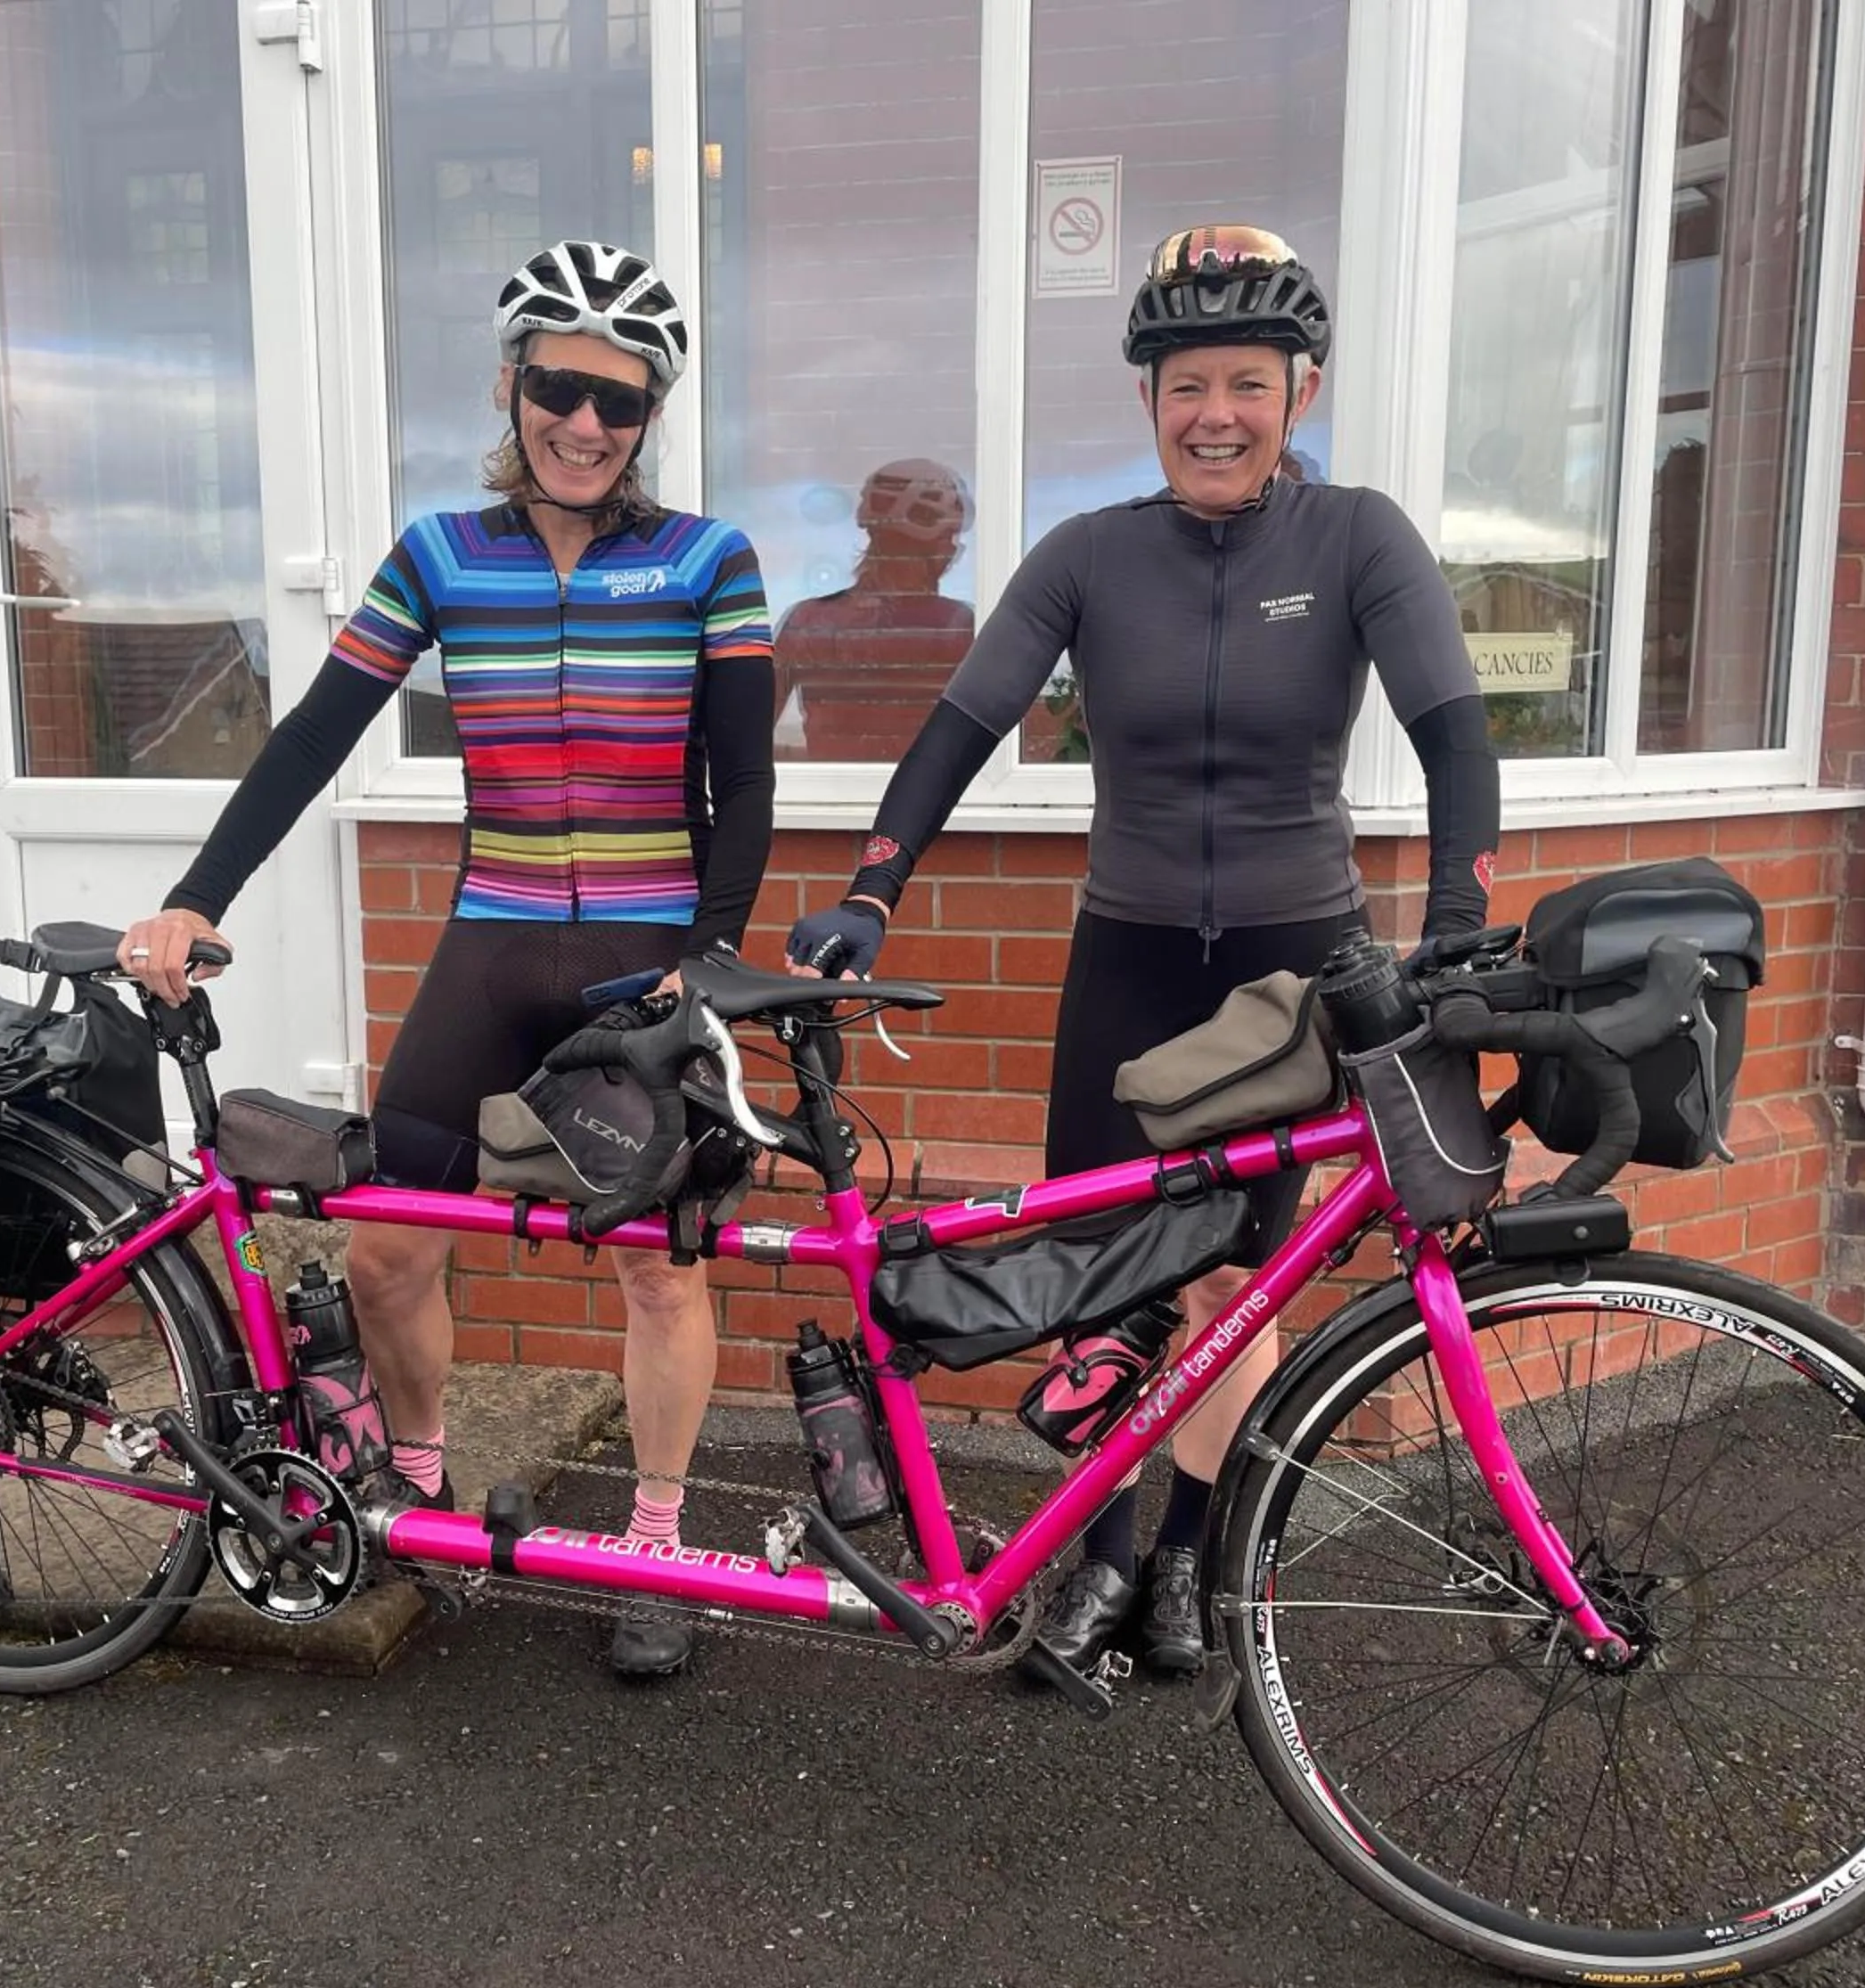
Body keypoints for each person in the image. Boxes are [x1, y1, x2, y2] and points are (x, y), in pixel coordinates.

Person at [784, 225, 1500, 1679]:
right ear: (1148, 403)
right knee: (1102, 1273)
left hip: (1292, 977)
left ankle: (1187, 1551)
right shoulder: (1091, 555)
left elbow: (1453, 734)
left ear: (1300, 392)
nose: (1215, 414)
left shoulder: (1359, 537)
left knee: (1236, 1281)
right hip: (1128, 956)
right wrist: (872, 890)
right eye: (1186, 387)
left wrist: (1459, 931)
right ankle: (1096, 1554)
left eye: (1247, 381)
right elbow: (960, 727)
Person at [122, 240, 776, 1678]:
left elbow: (746, 790)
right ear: (510, 384)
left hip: (644, 964)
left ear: (652, 416)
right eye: (561, 389)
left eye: (624, 404)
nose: (589, 426)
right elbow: (310, 739)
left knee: (663, 1274)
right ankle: (414, 1485)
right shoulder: (439, 555)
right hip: (492, 946)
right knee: (386, 1244)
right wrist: (193, 898)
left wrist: (709, 967)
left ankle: (655, 1547)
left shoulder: (705, 559)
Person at [772, 458, 975, 761]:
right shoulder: (960, 627)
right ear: (928, 543)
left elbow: (746, 740)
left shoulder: (805, 622)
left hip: (828, 797)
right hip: (928, 804)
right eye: (950, 536)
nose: (953, 550)